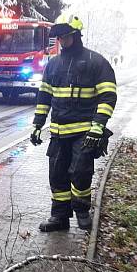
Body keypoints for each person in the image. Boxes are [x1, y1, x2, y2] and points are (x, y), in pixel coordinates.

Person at [29, 13, 117, 231]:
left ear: (76, 35)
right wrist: (37, 124)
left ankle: (82, 210)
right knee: (57, 175)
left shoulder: (95, 62)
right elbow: (44, 96)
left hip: (84, 131)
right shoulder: (53, 65)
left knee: (80, 172)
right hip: (58, 132)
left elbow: (108, 95)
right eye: (59, 38)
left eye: (65, 37)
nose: (62, 41)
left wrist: (98, 125)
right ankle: (59, 217)